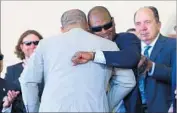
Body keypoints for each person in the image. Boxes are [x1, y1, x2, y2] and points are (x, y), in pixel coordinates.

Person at [19, 9, 135, 112]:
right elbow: (128, 81)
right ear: (86, 26)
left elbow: (27, 81)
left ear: (62, 29)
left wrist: (35, 110)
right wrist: (105, 105)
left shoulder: (46, 44)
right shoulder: (109, 45)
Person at [71, 6, 141, 113]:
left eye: (107, 26)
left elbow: (131, 58)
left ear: (113, 22)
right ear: (89, 30)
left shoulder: (126, 38)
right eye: (97, 29)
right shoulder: (85, 49)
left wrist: (94, 56)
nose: (104, 31)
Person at [134, 6, 176, 112]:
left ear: (158, 24)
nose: (142, 28)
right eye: (138, 24)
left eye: (147, 22)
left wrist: (152, 67)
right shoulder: (131, 48)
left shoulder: (173, 45)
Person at [3, 30, 43, 113]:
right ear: (21, 47)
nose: (33, 46)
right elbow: (9, 92)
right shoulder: (11, 69)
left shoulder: (49, 68)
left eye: (36, 43)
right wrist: (27, 71)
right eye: (28, 43)